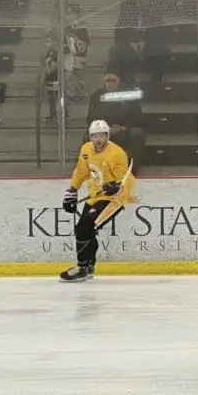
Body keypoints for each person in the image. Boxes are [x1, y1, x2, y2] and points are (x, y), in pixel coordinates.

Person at [59, 120, 136, 283]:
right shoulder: (86, 149)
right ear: (90, 136)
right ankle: (88, 267)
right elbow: (81, 172)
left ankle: (81, 267)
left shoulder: (117, 153)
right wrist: (72, 191)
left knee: (84, 227)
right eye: (94, 136)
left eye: (101, 135)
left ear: (107, 136)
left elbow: (126, 178)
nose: (98, 139)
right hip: (94, 196)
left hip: (112, 199)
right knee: (86, 230)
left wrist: (117, 188)